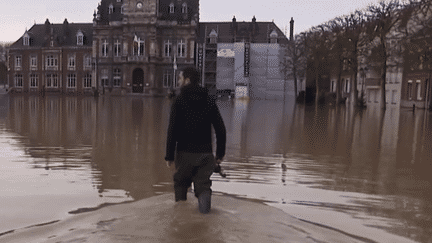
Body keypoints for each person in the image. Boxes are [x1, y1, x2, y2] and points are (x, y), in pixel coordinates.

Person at [165, 66, 226, 214]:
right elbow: (221, 129)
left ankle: (180, 220)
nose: (178, 82)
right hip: (205, 154)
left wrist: (169, 156)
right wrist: (219, 154)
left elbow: (172, 130)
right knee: (204, 187)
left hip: (184, 154)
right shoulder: (209, 100)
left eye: (180, 78)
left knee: (180, 184)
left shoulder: (178, 101)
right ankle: (205, 218)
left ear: (187, 80)